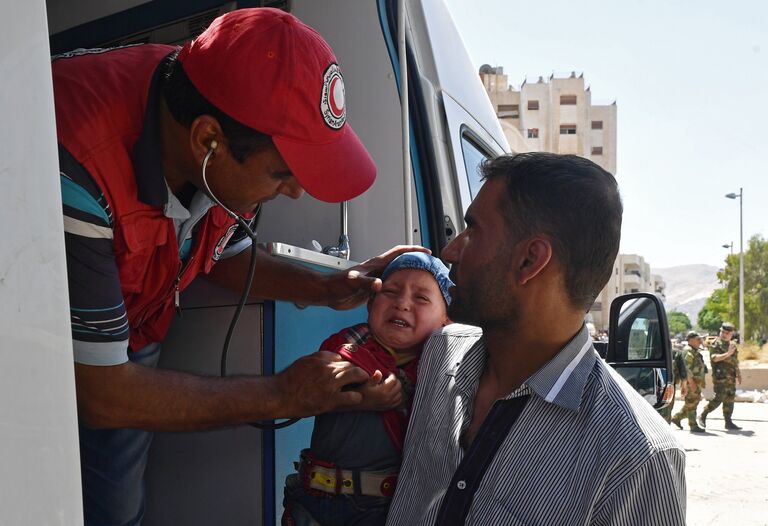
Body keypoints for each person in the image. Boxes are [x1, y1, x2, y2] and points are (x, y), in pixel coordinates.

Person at [54, 8, 422, 525]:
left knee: (115, 509)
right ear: (208, 141)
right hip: (44, 354)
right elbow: (101, 393)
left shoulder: (220, 124)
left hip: (131, 336)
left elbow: (226, 258)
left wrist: (331, 288)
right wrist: (280, 394)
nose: (294, 192)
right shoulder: (76, 158)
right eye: (282, 174)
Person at [386, 153, 686, 525]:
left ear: (530, 260)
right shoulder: (440, 353)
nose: (450, 251)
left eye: (473, 230)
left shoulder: (638, 458)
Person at [282, 252, 453, 525]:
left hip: (386, 511)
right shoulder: (351, 343)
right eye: (391, 292)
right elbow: (323, 371)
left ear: (447, 320)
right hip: (314, 504)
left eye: (421, 298)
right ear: (370, 303)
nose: (402, 303)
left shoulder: (444, 367)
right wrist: (360, 397)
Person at [698, 322, 742, 430]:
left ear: (731, 334)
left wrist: (739, 373)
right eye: (723, 332)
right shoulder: (715, 343)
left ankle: (728, 421)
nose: (724, 334)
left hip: (731, 377)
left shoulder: (732, 345)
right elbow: (714, 358)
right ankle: (703, 414)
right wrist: (728, 354)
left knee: (730, 398)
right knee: (719, 397)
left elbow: (735, 361)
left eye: (727, 333)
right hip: (720, 377)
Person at [672, 332, 706, 432]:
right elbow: (686, 369)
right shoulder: (688, 351)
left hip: (696, 382)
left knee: (693, 402)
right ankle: (693, 425)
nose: (700, 341)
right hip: (691, 382)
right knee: (692, 403)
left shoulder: (694, 351)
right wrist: (691, 383)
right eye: (698, 339)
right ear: (690, 340)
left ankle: (677, 418)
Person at [661, 343, 691, 421]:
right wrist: (684, 386)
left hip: (650, 385)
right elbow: (683, 371)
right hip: (668, 387)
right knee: (666, 412)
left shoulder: (648, 351)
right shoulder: (675, 353)